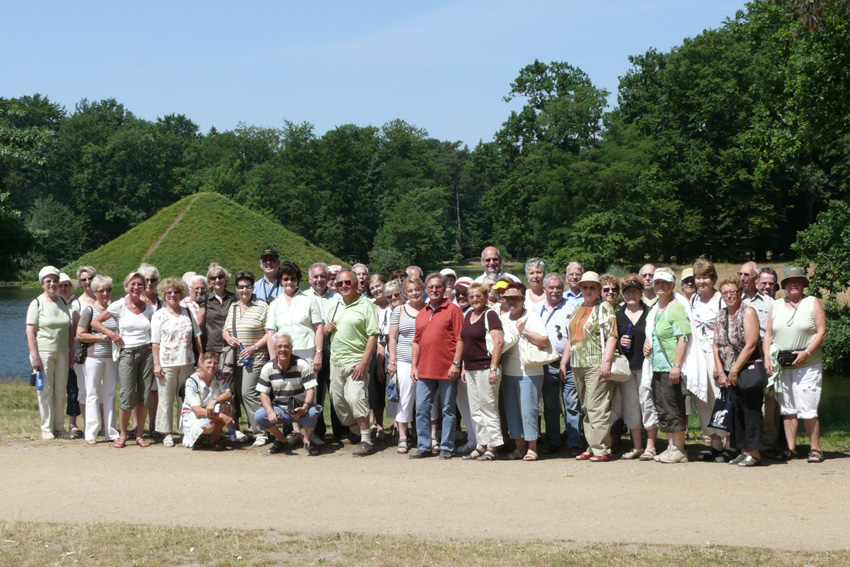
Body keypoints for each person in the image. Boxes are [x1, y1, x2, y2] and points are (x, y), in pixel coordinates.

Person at [764, 266, 828, 464]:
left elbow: (822, 331)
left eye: (797, 281)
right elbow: (768, 335)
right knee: (788, 408)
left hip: (808, 364)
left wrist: (806, 352)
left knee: (808, 407)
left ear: (803, 284)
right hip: (783, 365)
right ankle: (791, 449)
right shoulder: (776, 305)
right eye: (790, 282)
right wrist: (767, 357)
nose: (793, 284)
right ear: (784, 286)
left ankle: (815, 448)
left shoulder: (812, 302)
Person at [92, 271, 155, 448]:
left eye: (140, 284)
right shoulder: (119, 305)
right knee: (127, 395)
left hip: (146, 352)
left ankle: (140, 434)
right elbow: (96, 322)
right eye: (133, 284)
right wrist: (112, 334)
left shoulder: (149, 308)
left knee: (143, 396)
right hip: (127, 352)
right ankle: (123, 435)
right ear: (126, 286)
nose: (136, 287)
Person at [264, 262, 323, 446]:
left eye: (293, 279)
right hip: (283, 355)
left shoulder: (309, 299)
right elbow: (270, 333)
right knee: (288, 392)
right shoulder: (275, 304)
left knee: (308, 393)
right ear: (281, 281)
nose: (289, 282)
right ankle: (295, 431)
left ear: (298, 280)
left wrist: (319, 353)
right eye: (286, 279)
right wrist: (274, 358)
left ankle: (310, 433)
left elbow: (318, 327)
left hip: (306, 352)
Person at [562, 272, 617, 462]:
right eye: (584, 287)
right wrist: (564, 362)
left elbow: (612, 336)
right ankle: (592, 445)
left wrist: (606, 361)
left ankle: (602, 448)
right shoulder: (578, 307)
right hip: (577, 364)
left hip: (596, 363)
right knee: (586, 407)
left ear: (599, 290)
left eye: (592, 287)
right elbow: (572, 338)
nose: (587, 290)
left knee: (596, 406)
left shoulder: (604, 308)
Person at [324, 270, 379, 456]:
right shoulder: (336, 305)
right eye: (340, 284)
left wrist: (364, 363)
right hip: (336, 362)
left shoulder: (366, 305)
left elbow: (373, 335)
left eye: (348, 282)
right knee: (338, 402)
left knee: (356, 398)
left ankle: (367, 440)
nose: (344, 286)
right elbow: (328, 330)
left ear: (356, 283)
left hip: (356, 361)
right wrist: (326, 329)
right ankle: (357, 432)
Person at [410, 273, 465, 459]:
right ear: (426, 289)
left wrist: (456, 363)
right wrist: (413, 367)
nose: (434, 290)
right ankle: (424, 445)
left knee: (448, 409)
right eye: (431, 287)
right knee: (422, 409)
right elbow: (416, 342)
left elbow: (460, 339)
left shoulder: (453, 310)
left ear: (444, 289)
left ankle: (446, 447)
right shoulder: (422, 313)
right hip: (425, 369)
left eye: (438, 287)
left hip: (447, 368)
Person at [641, 268, 691, 463]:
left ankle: (678, 448)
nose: (660, 286)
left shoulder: (676, 308)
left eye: (664, 283)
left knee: (673, 406)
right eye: (657, 282)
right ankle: (671, 446)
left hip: (671, 365)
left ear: (672, 285)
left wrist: (677, 365)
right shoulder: (657, 308)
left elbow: (683, 338)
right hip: (657, 366)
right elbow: (653, 333)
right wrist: (648, 342)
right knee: (662, 407)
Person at [713, 277, 764, 467]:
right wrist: (721, 371)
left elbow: (751, 344)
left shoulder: (747, 312)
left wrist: (734, 370)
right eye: (725, 292)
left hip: (747, 368)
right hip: (728, 369)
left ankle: (755, 451)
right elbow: (716, 344)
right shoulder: (720, 315)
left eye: (733, 292)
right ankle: (742, 449)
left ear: (740, 292)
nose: (729, 296)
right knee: (736, 411)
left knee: (751, 410)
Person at [499, 282, 550, 461]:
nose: (512, 302)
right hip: (508, 371)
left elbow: (544, 341)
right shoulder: (503, 319)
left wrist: (525, 331)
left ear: (523, 300)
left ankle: (532, 448)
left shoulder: (533, 317)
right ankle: (519, 447)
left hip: (530, 371)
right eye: (509, 299)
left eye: (516, 299)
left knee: (529, 411)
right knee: (512, 411)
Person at [151, 278, 203, 448]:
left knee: (186, 398)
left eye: (176, 292)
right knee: (166, 399)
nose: (173, 295)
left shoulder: (187, 313)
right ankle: (167, 433)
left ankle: (185, 430)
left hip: (187, 362)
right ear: (164, 295)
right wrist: (157, 364)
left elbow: (197, 337)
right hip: (167, 363)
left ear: (181, 294)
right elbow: (155, 343)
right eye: (169, 293)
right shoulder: (158, 315)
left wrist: (200, 356)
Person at [255, 332, 324, 456]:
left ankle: (307, 440)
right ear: (274, 349)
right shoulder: (268, 367)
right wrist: (270, 411)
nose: (283, 350)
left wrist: (304, 407)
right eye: (279, 347)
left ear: (291, 348)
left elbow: (311, 390)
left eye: (286, 346)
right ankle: (281, 439)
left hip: (302, 407)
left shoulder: (302, 364)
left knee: (313, 412)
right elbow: (263, 393)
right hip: (281, 408)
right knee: (260, 416)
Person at [222, 270, 270, 446]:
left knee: (248, 393)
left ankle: (262, 432)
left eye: (248, 286)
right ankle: (254, 427)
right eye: (241, 287)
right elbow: (225, 329)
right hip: (237, 359)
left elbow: (269, 333)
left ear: (253, 287)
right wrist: (228, 338)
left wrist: (253, 347)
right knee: (242, 395)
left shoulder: (262, 306)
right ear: (237, 288)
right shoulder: (234, 307)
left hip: (256, 357)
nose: (244, 290)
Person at [26, 266, 73, 440]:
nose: (52, 284)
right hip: (44, 352)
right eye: (49, 281)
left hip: (63, 352)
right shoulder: (36, 303)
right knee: (46, 391)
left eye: (55, 280)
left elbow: (69, 328)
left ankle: (59, 427)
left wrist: (71, 350)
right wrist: (35, 355)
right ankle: (47, 428)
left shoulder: (63, 302)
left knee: (60, 390)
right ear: (43, 284)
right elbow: (30, 331)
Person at [688, 259, 729, 461]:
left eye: (705, 277)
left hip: (716, 355)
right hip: (697, 355)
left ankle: (729, 444)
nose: (701, 281)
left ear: (713, 278)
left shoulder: (720, 300)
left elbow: (725, 331)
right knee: (701, 399)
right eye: (698, 277)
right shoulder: (694, 299)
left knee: (719, 399)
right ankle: (714, 443)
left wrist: (720, 363)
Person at [460, 282, 505, 461]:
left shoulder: (490, 314)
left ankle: (493, 446)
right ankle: (481, 444)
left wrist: (493, 368)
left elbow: (498, 342)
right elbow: (465, 342)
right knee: (476, 409)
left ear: (486, 297)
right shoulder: (469, 314)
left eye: (478, 296)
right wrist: (463, 366)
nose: (474, 299)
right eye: (471, 296)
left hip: (487, 368)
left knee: (488, 408)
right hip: (471, 369)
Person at [538, 273, 582, 455]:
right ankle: (553, 440)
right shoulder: (536, 309)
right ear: (544, 289)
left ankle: (575, 442)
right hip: (547, 364)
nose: (555, 291)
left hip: (570, 364)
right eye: (551, 288)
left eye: (558, 287)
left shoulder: (573, 307)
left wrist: (565, 361)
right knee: (551, 406)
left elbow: (575, 337)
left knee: (572, 404)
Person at [76, 274, 120, 445]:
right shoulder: (89, 310)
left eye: (108, 290)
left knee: (110, 393)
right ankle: (91, 433)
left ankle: (110, 431)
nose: (105, 293)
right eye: (101, 290)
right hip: (93, 356)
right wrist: (100, 338)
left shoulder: (114, 310)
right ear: (95, 291)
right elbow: (79, 335)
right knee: (92, 393)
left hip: (112, 357)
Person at [615, 275, 655, 460]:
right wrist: (620, 343)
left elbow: (658, 334)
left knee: (647, 403)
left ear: (641, 293)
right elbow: (611, 340)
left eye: (635, 291)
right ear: (623, 294)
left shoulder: (651, 312)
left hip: (646, 364)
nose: (631, 295)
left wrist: (650, 341)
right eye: (627, 291)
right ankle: (637, 446)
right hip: (626, 367)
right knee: (630, 406)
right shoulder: (618, 315)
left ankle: (651, 446)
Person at [202, 263, 242, 440]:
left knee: (230, 387)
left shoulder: (234, 298)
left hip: (230, 348)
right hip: (212, 348)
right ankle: (214, 426)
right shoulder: (204, 300)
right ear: (209, 282)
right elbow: (200, 326)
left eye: (220, 277)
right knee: (212, 388)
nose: (217, 280)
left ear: (226, 279)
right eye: (213, 278)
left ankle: (235, 424)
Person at [387, 277, 425, 454]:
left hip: (426, 361)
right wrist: (392, 361)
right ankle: (403, 435)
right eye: (410, 290)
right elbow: (392, 338)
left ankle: (427, 436)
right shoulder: (399, 311)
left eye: (417, 289)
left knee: (427, 400)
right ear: (405, 293)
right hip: (403, 360)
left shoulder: (429, 308)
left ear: (423, 290)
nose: (414, 293)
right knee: (406, 398)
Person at [304, 262, 340, 442]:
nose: (319, 280)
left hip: (333, 349)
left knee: (335, 391)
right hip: (312, 349)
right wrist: (321, 330)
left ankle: (340, 431)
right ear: (309, 279)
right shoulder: (303, 297)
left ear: (328, 278)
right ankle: (316, 430)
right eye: (315, 277)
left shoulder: (337, 297)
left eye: (322, 276)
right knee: (315, 392)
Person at [181, 352, 236, 450]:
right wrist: (222, 416)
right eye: (209, 362)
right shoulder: (192, 381)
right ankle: (199, 437)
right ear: (201, 363)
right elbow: (197, 410)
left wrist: (214, 401)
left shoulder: (218, 374)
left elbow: (228, 394)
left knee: (226, 405)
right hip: (193, 413)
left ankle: (214, 440)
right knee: (209, 426)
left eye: (215, 363)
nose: (212, 366)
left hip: (211, 408)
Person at [57, 273, 84, 438]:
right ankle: (55, 423)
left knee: (74, 389)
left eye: (65, 285)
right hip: (57, 351)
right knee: (56, 389)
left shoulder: (75, 306)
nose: (62, 288)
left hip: (73, 352)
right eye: (59, 285)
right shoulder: (49, 305)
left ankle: (72, 423)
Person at [368, 274, 390, 438]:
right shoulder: (370, 307)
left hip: (395, 351)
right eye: (372, 288)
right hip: (375, 352)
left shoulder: (395, 305)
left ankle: (398, 425)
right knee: (375, 389)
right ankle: (376, 424)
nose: (376, 290)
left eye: (378, 286)